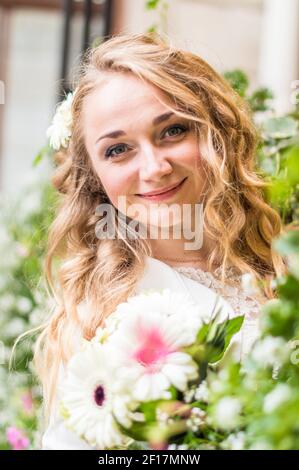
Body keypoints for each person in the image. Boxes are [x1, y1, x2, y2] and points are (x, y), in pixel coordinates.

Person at [36, 32, 286, 449]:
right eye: (118, 150)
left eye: (172, 130)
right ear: (93, 176)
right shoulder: (100, 323)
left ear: (215, 133)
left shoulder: (279, 258)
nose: (154, 167)